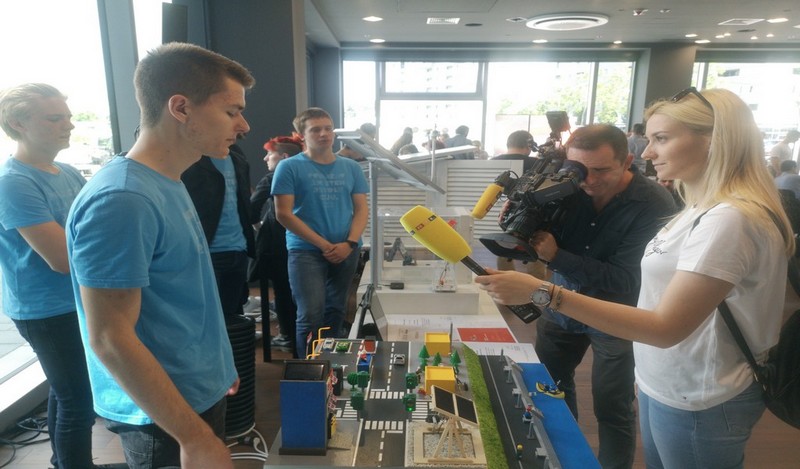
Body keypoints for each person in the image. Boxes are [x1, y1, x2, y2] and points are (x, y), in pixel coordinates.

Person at [477, 88, 793, 469]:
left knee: (613, 410)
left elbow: (664, 325)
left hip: (700, 393)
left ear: (715, 140)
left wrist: (543, 290)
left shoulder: (728, 219)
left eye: (661, 138)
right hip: (670, 383)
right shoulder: (701, 209)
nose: (648, 153)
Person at [67, 42, 254, 468]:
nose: (243, 125)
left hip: (195, 388)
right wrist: (194, 437)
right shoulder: (123, 199)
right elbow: (110, 337)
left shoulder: (168, 179)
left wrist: (217, 367)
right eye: (231, 111)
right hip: (162, 415)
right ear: (181, 108)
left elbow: (184, 293)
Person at [495, 124, 677, 468]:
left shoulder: (653, 203)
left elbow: (625, 279)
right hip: (560, 307)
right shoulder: (566, 185)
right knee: (550, 391)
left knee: (612, 407)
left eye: (601, 170)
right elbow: (536, 237)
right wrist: (524, 217)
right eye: (580, 169)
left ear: (627, 161)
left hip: (615, 315)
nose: (588, 180)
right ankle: (564, 459)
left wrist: (556, 256)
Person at [0, 83, 100, 469]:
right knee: (78, 400)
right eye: (55, 118)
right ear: (18, 123)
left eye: (68, 117)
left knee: (67, 392)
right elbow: (62, 258)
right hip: (44, 309)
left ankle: (64, 462)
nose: (69, 125)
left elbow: (94, 228)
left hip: (74, 301)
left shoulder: (68, 171)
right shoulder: (14, 182)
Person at [272, 107, 369, 358]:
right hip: (306, 251)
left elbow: (361, 210)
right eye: (315, 130)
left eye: (328, 128)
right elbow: (284, 214)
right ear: (301, 135)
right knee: (310, 314)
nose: (324, 134)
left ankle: (330, 363)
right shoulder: (289, 167)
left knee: (336, 309)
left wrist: (350, 243)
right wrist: (325, 245)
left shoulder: (351, 167)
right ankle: (309, 369)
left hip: (347, 248)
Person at [182, 139, 256, 318]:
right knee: (208, 317)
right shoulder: (188, 156)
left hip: (238, 248)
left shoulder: (236, 156)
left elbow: (243, 201)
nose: (242, 127)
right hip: (205, 252)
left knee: (233, 316)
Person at [250, 134, 304, 356]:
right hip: (306, 242)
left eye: (270, 154)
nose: (265, 159)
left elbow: (252, 207)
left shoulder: (273, 177)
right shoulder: (307, 174)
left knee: (282, 291)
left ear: (283, 156)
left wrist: (258, 225)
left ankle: (287, 336)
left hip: (278, 245)